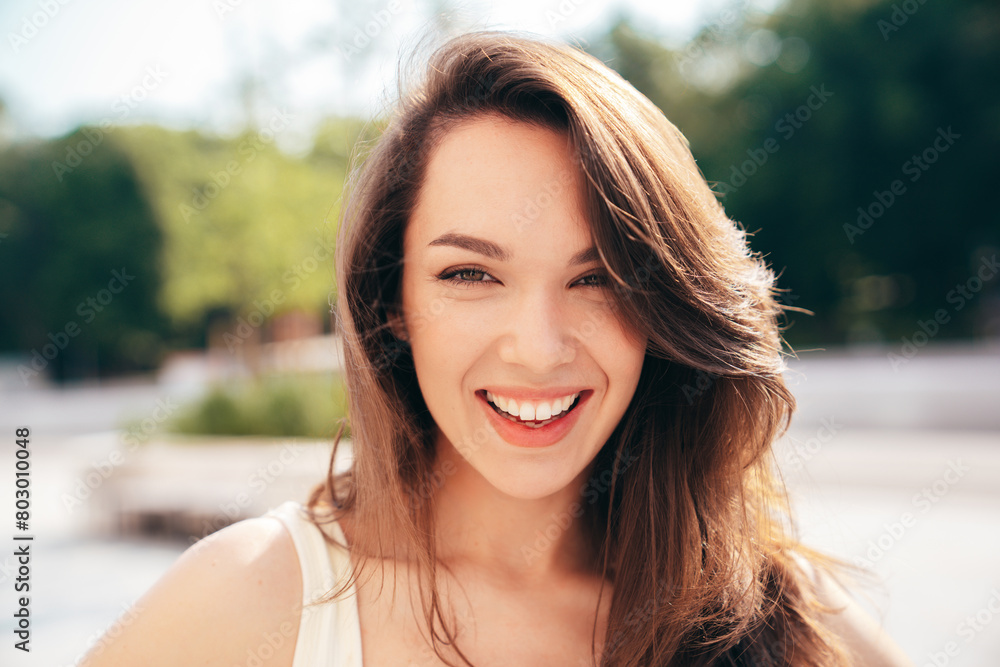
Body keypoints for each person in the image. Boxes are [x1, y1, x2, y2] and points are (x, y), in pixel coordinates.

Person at [81, 30, 913, 667]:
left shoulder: (779, 617)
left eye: (600, 279)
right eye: (471, 273)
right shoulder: (252, 598)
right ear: (390, 301)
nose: (539, 347)